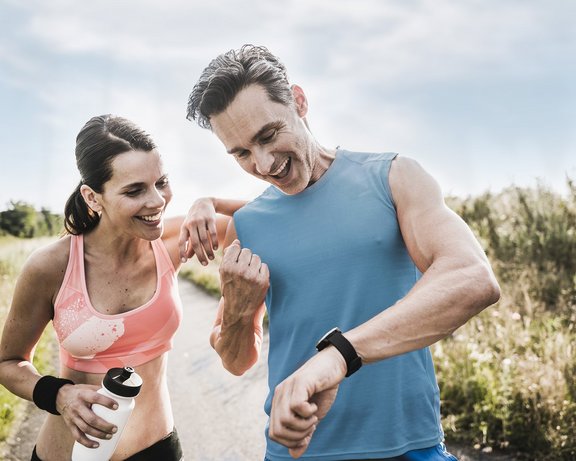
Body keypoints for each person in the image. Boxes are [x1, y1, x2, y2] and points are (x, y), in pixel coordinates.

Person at [186, 44, 501, 461]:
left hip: (408, 446)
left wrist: (339, 356)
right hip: (296, 451)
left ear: (298, 101)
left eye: (268, 135)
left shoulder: (392, 177)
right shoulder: (247, 226)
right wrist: (241, 316)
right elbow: (236, 362)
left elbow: (473, 279)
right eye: (241, 153)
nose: (262, 163)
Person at [0, 114, 244, 461]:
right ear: (93, 197)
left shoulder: (175, 239)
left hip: (156, 447)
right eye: (134, 190)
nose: (157, 201)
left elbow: (266, 216)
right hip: (67, 454)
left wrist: (211, 203)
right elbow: (8, 362)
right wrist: (59, 395)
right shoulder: (50, 266)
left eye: (161, 182)